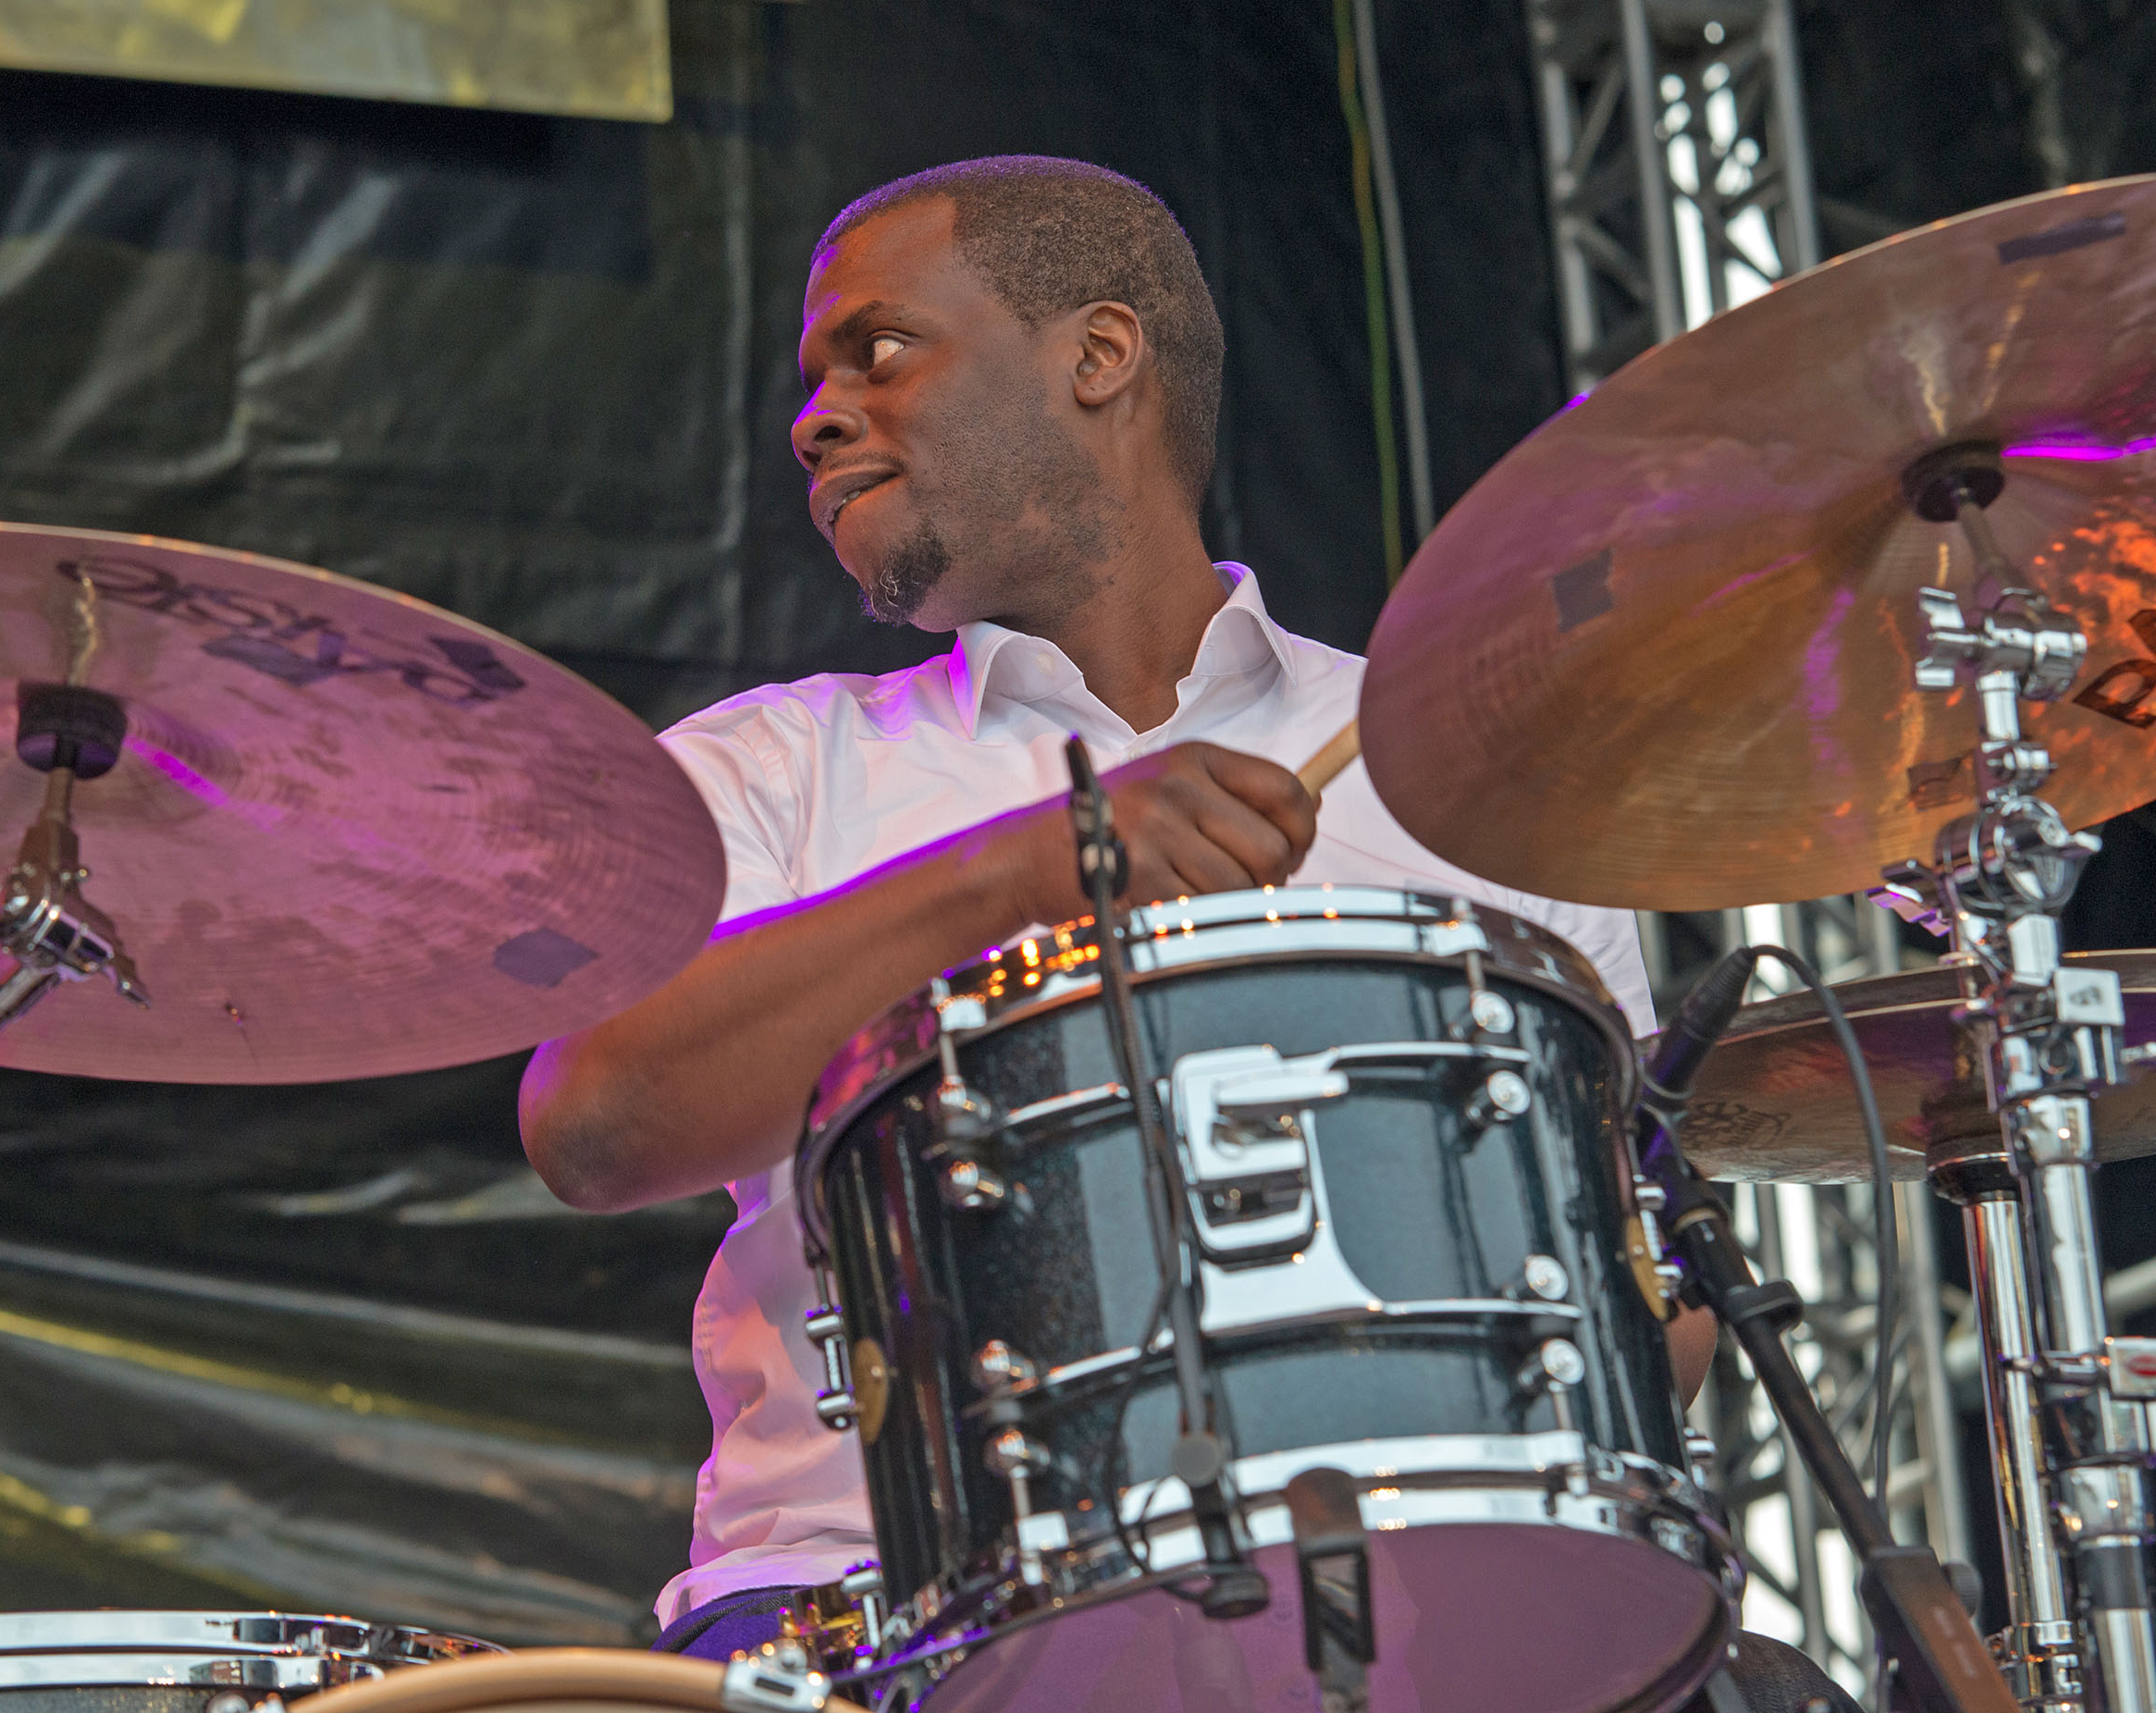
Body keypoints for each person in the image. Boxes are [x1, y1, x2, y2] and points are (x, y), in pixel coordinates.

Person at [520, 156, 1835, 1707]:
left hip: (1378, 1622)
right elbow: (594, 1122)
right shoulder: (773, 768)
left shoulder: (1451, 770)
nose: (813, 416)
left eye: (877, 349)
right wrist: (1038, 869)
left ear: (1097, 356)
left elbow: (1636, 1314)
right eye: (812, 378)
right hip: (864, 1619)